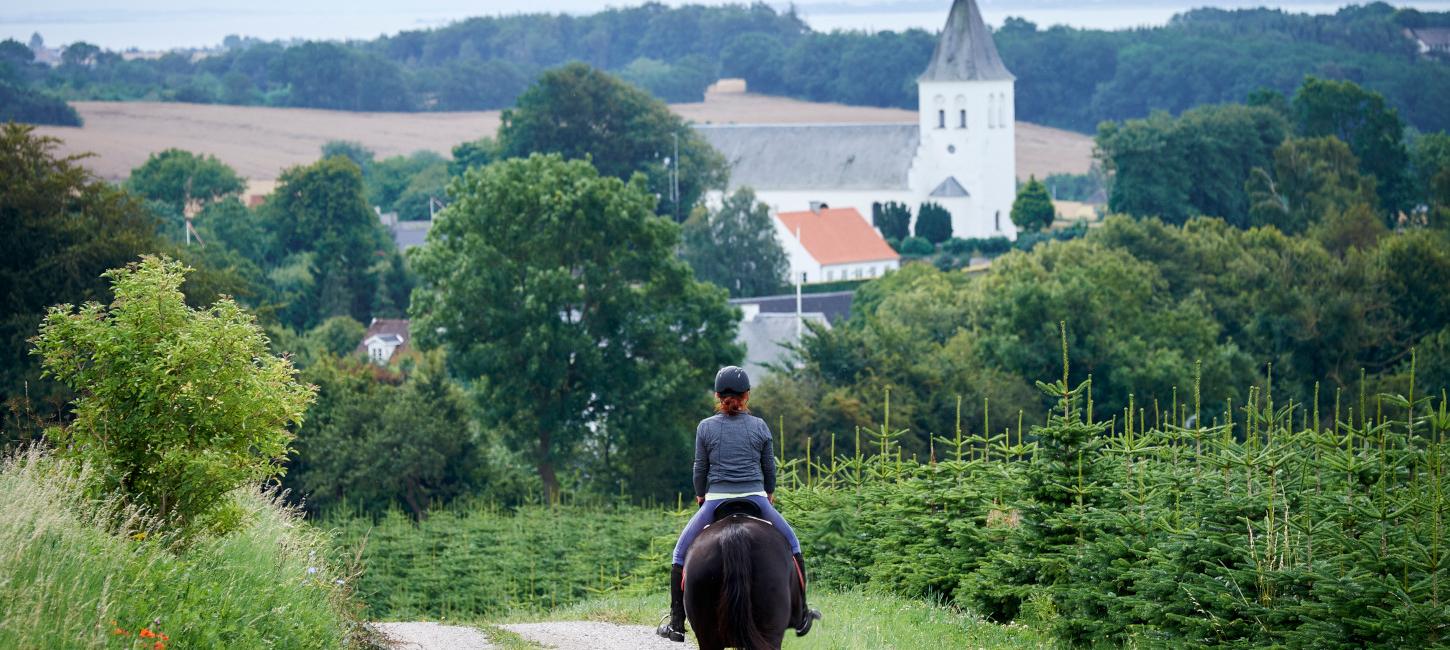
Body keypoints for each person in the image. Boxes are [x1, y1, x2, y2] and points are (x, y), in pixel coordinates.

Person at [656, 365, 822, 642]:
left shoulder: (705, 427)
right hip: (757, 498)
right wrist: (769, 492)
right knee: (793, 546)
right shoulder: (760, 426)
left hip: (715, 501)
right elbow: (769, 468)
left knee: (679, 555)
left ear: (718, 396)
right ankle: (801, 613)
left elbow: (700, 468)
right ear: (747, 395)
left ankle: (676, 623)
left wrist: (701, 494)